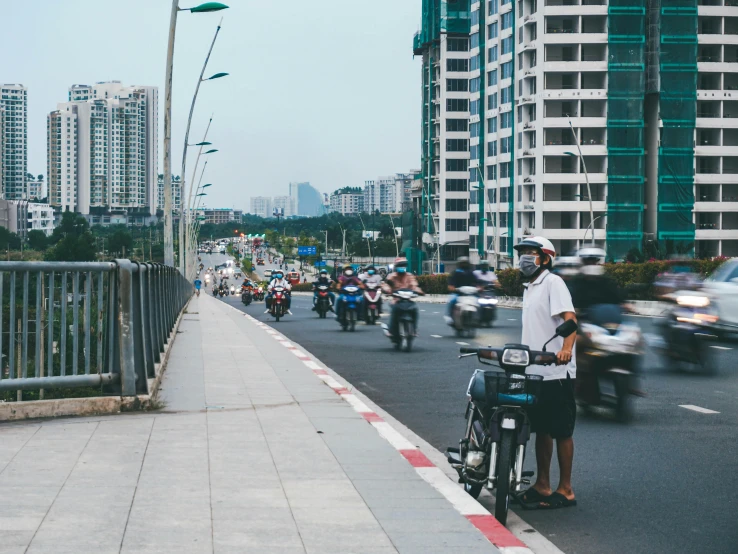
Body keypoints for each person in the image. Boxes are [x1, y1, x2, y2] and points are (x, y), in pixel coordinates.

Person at [512, 236, 578, 511]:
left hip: (557, 372)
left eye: (530, 252)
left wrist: (565, 350)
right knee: (542, 430)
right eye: (522, 253)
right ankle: (542, 484)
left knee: (561, 430)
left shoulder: (553, 282)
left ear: (545, 258)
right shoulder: (530, 287)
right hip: (534, 370)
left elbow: (570, 319)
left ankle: (566, 489)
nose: (525, 257)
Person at [569, 247, 626, 324]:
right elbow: (572, 301)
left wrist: (625, 304)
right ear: (583, 263)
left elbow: (617, 297)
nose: (592, 264)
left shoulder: (607, 281)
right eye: (588, 262)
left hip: (607, 321)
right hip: (585, 321)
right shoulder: (576, 282)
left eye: (594, 261)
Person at [382, 258, 424, 341]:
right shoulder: (392, 276)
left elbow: (414, 285)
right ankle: (391, 330)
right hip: (396, 300)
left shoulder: (409, 276)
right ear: (396, 267)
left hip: (408, 300)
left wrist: (419, 291)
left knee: (415, 309)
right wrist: (387, 290)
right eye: (400, 266)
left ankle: (414, 329)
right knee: (394, 310)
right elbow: (385, 285)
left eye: (403, 266)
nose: (402, 267)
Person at [445, 256, 479, 324]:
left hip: (470, 294)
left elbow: (477, 283)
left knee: (479, 302)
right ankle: (449, 316)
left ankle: (478, 317)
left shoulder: (471, 273)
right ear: (459, 264)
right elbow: (450, 285)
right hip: (458, 293)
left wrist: (479, 288)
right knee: (452, 300)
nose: (464, 265)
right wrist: (453, 288)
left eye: (465, 263)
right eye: (462, 263)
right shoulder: (455, 273)